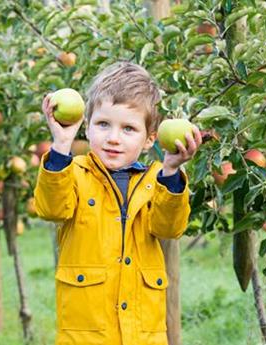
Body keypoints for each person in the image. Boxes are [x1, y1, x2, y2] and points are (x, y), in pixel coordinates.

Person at [34, 61, 202, 345]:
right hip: (85, 336)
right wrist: (61, 144)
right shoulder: (73, 173)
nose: (113, 138)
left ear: (150, 139)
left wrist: (172, 171)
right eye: (103, 124)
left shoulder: (155, 182)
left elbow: (169, 228)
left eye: (128, 129)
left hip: (142, 334)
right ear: (86, 127)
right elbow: (51, 208)